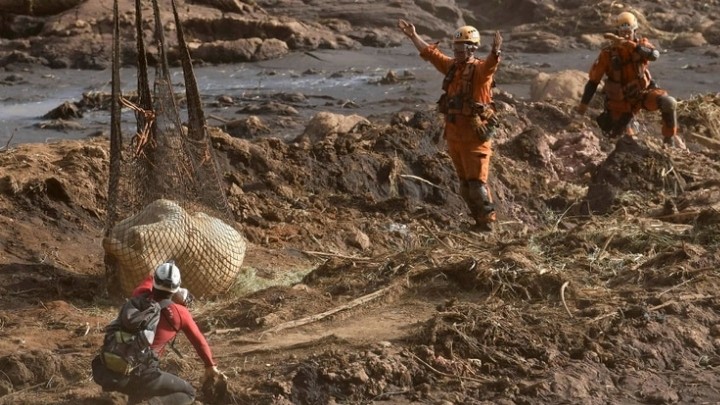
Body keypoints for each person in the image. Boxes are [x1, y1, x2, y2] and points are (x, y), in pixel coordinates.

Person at [398, 19, 503, 232]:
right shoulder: (452, 67)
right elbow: (431, 54)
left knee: (477, 185)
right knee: (465, 186)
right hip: (454, 135)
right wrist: (413, 36)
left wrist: (495, 51)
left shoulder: (481, 71)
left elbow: (491, 66)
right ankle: (478, 223)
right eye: (455, 47)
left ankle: (488, 226)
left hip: (474, 137)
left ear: (472, 48)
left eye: (461, 47)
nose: (457, 51)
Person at [92, 261, 226, 405]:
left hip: (107, 372)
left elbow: (150, 280)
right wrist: (210, 366)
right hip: (141, 376)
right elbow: (200, 342)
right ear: (177, 287)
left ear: (155, 281)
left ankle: (131, 398)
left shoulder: (139, 296)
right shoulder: (181, 314)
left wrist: (165, 271)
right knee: (188, 392)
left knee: (136, 389)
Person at [577, 11, 686, 149]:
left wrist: (630, 45)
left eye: (629, 31)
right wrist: (580, 111)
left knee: (669, 102)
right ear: (617, 32)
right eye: (622, 32)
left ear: (635, 31)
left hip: (642, 95)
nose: (626, 35)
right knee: (621, 141)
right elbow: (593, 83)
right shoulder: (608, 54)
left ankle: (669, 142)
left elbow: (654, 55)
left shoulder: (641, 46)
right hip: (620, 104)